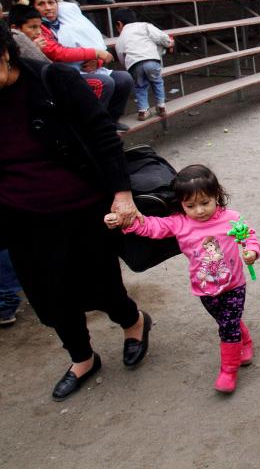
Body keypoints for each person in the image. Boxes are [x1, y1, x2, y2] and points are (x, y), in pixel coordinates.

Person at [0, 20, 150, 401]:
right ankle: (82, 357)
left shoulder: (53, 80)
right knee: (49, 294)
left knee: (102, 284)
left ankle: (133, 322)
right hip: (22, 216)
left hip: (83, 208)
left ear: (4, 53)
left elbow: (103, 134)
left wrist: (122, 193)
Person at [107, 164, 260, 391]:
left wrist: (251, 251)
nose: (199, 210)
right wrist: (124, 221)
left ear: (216, 196)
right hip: (204, 289)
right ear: (181, 204)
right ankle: (244, 341)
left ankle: (228, 371)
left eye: (205, 203)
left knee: (227, 326)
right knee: (226, 320)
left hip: (233, 285)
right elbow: (151, 227)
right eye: (190, 205)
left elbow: (248, 236)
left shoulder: (231, 218)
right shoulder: (179, 223)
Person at [32, 0, 134, 129]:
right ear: (33, 7)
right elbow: (57, 52)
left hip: (83, 70)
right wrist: (95, 53)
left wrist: (97, 62)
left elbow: (89, 42)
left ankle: (110, 121)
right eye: (41, 4)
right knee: (105, 83)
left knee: (124, 79)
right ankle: (93, 126)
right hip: (62, 75)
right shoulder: (36, 27)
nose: (48, 8)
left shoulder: (69, 21)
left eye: (51, 2)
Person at [112, 8, 171, 121]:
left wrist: (126, 65)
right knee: (157, 82)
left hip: (134, 64)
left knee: (140, 86)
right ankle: (161, 106)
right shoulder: (145, 26)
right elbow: (160, 37)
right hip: (152, 60)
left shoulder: (122, 36)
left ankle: (143, 111)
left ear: (119, 24)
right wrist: (168, 43)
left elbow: (120, 52)